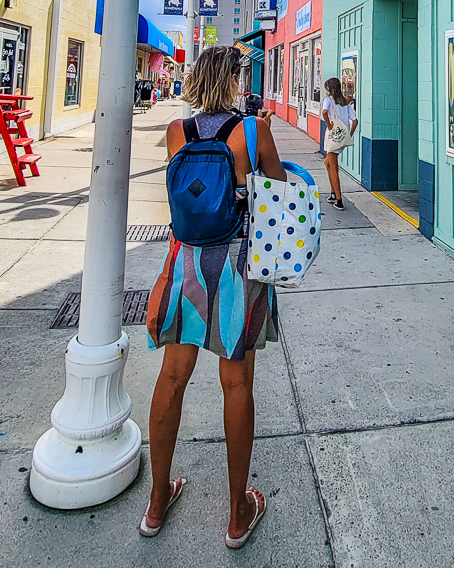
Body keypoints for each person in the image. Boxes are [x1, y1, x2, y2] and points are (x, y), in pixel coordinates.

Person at [142, 45, 287, 546]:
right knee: (237, 385)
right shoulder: (254, 130)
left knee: (173, 377)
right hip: (235, 268)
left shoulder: (176, 132)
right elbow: (280, 192)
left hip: (186, 264)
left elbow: (187, 198)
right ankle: (235, 515)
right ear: (232, 82)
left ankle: (157, 504)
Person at [322, 77, 357, 210]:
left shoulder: (328, 101)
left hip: (333, 137)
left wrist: (328, 125)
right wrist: (349, 135)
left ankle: (338, 199)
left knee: (333, 167)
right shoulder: (345, 102)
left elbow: (324, 112)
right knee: (327, 162)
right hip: (342, 137)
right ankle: (332, 193)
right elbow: (355, 121)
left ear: (330, 89)